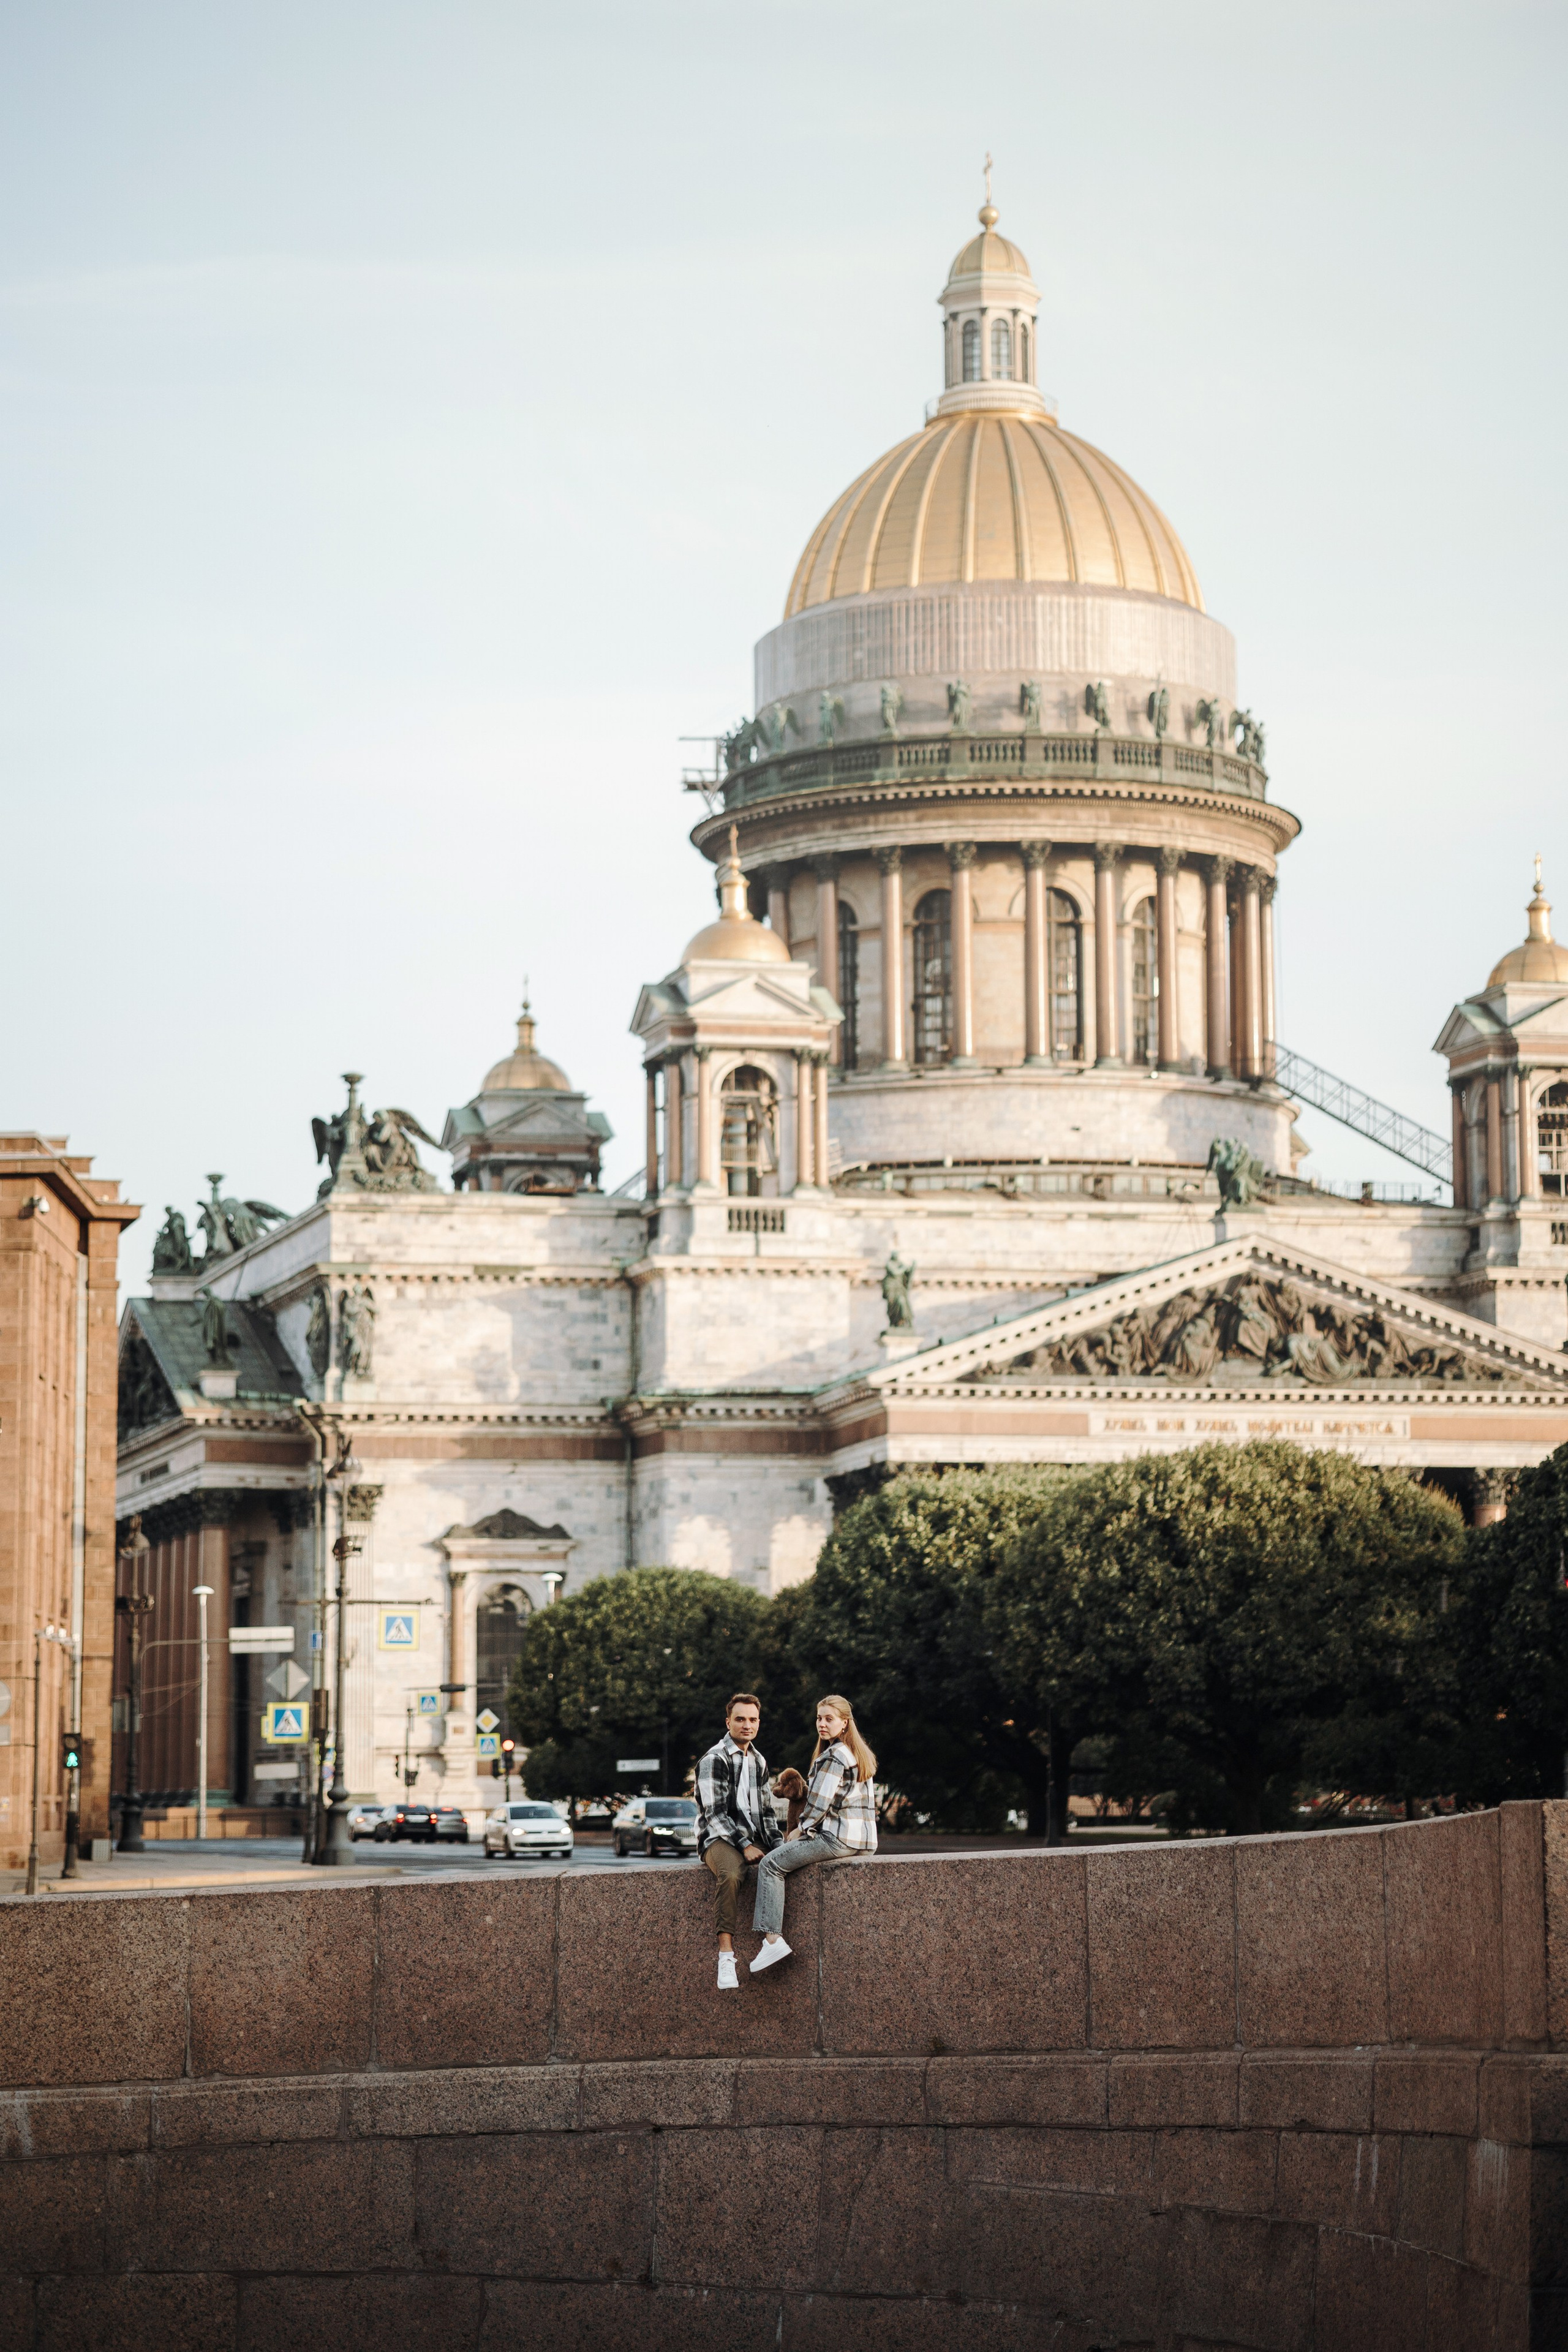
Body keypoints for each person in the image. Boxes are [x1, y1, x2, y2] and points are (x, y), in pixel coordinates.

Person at [749, 1695, 877, 1973]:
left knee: (771, 1864)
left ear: (844, 1723)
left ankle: (772, 1940)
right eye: (819, 1718)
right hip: (861, 1841)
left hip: (835, 1838)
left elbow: (819, 1802)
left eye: (829, 1719)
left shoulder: (834, 1755)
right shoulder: (858, 1754)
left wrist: (800, 1829)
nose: (822, 1724)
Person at [695, 1693, 782, 1991]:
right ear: (728, 1722)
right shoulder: (714, 1760)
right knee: (732, 1874)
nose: (747, 1725)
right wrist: (745, 1846)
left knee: (789, 1861)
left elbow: (766, 1812)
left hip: (753, 1836)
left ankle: (772, 1940)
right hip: (718, 1837)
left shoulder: (758, 1760)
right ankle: (726, 1957)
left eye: (753, 1720)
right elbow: (715, 1815)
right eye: (741, 1719)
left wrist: (779, 1844)